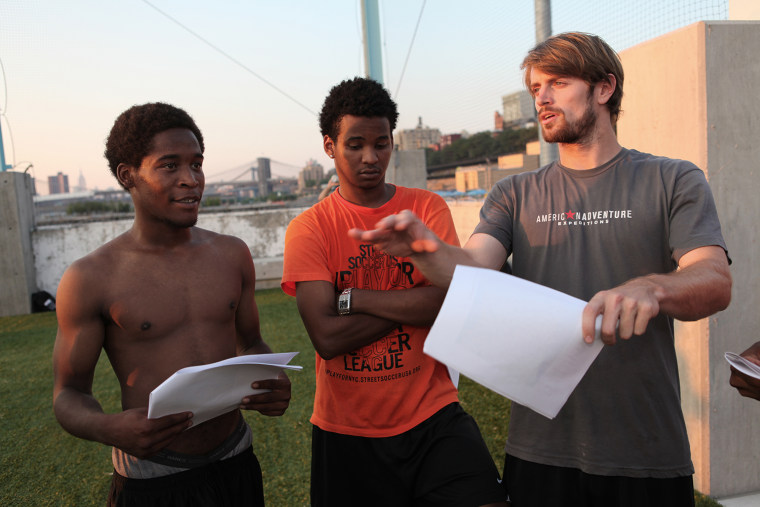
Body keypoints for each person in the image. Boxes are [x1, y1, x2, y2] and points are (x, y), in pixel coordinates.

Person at [350, 32, 732, 507]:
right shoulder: (513, 194)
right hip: (540, 452)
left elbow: (714, 278)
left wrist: (652, 288)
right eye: (535, 88)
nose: (542, 99)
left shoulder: (672, 178)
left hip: (645, 449)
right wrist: (428, 252)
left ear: (604, 88)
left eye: (558, 82)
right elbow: (473, 267)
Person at [281, 77, 507, 507]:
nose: (371, 157)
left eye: (381, 143)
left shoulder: (425, 207)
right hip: (346, 430)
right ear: (330, 146)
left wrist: (353, 299)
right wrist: (416, 302)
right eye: (355, 145)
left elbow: (449, 302)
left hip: (433, 414)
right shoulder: (309, 228)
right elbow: (327, 338)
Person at [52, 102, 291, 506]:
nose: (191, 180)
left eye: (196, 164)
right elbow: (68, 394)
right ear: (129, 176)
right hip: (153, 475)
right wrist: (109, 427)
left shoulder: (232, 254)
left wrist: (271, 381)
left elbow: (250, 343)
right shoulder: (91, 277)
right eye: (169, 166)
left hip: (236, 459)